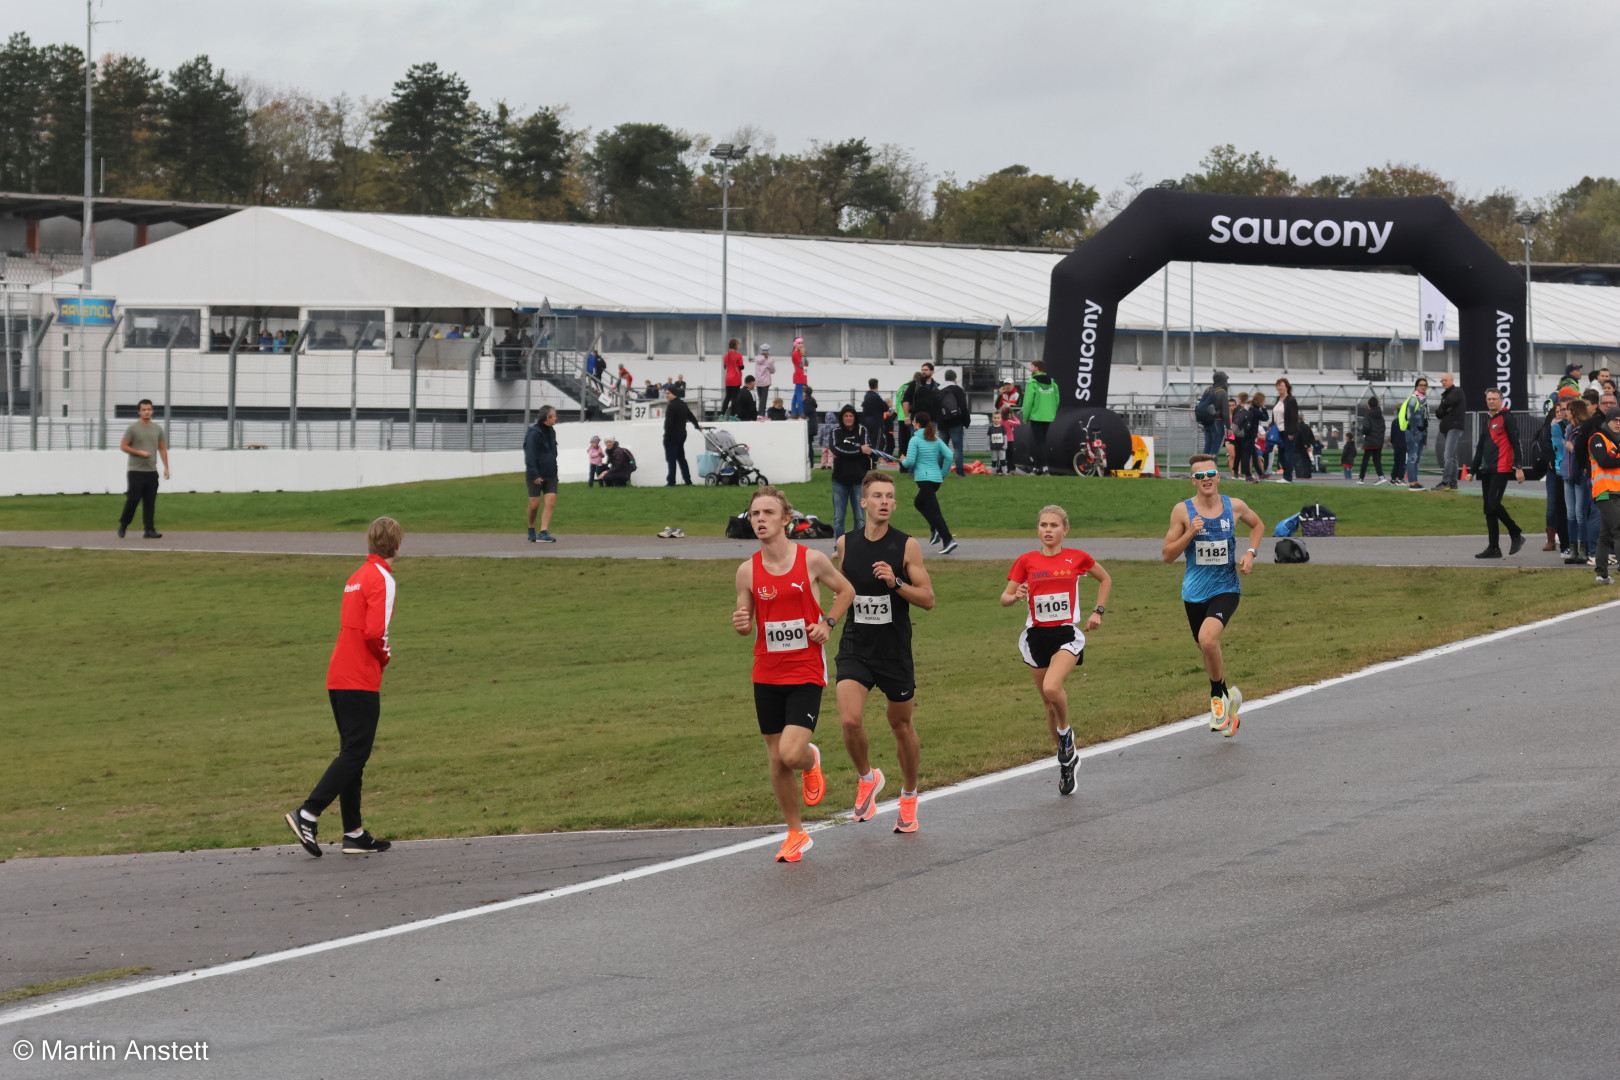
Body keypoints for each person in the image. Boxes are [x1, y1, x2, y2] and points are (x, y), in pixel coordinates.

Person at [732, 486, 855, 863]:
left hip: (805, 669)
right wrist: (742, 623)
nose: (760, 520)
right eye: (755, 514)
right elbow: (746, 622)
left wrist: (827, 623)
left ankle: (810, 761)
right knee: (775, 757)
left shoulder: (812, 560)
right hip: (766, 672)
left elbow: (846, 590)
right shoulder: (747, 571)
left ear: (786, 519)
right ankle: (795, 832)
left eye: (768, 513)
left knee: (790, 752)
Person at [285, 516, 403, 858]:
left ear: (370, 542)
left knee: (352, 753)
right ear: (397, 546)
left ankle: (354, 833)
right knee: (355, 753)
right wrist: (385, 657)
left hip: (338, 674)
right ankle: (308, 813)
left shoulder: (355, 577)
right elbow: (375, 633)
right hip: (359, 677)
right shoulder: (382, 578)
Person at [836, 471, 936, 833]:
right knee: (850, 721)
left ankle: (909, 796)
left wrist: (896, 583)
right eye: (877, 495)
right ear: (863, 502)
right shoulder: (845, 544)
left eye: (889, 496)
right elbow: (841, 588)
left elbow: (928, 599)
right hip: (855, 646)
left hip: (893, 651)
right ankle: (868, 778)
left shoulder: (906, 546)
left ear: (894, 504)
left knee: (901, 725)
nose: (884, 501)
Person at [1000, 505, 1112, 796]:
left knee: (1052, 687)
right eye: (1043, 525)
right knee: (1048, 705)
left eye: (1054, 525)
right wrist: (1015, 596)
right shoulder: (1026, 561)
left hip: (1065, 634)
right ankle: (1067, 762)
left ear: (1065, 530)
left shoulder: (1077, 558)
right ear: (1038, 529)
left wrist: (1098, 611)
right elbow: (1004, 598)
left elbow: (1105, 579)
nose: (1048, 530)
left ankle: (1065, 734)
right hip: (1036, 637)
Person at [1161, 454, 1264, 737]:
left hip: (1226, 587)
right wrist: (1190, 533)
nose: (1206, 479)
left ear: (1218, 477)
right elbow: (1167, 555)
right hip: (1194, 593)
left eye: (1210, 474)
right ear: (1192, 481)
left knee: (1208, 639)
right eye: (1200, 475)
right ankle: (1230, 697)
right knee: (1206, 649)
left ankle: (1217, 697)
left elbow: (1258, 525)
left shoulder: (1235, 506)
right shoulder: (1182, 511)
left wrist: (1251, 553)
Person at [1470, 389, 1526, 558]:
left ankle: (1515, 532)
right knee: (1488, 509)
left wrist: (1519, 467)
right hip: (1487, 469)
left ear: (1501, 400)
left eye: (1494, 398)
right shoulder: (1488, 420)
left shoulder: (1507, 418)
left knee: (1493, 504)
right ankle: (1493, 548)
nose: (1491, 401)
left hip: (1501, 468)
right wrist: (1472, 470)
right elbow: (1480, 447)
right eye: (1489, 399)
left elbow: (1516, 443)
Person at [902, 411, 957, 554]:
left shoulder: (915, 440)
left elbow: (910, 462)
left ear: (918, 424)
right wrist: (943, 474)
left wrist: (903, 461)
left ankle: (948, 539)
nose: (913, 424)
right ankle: (935, 529)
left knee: (935, 512)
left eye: (914, 421)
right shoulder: (935, 439)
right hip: (935, 480)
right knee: (919, 503)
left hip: (924, 480)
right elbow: (949, 455)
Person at [117, 399, 170, 539]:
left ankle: (149, 530)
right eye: (144, 409)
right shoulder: (133, 428)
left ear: (152, 411)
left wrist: (166, 467)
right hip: (135, 471)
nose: (147, 412)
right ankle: (124, 524)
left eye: (149, 409)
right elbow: (123, 446)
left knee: (150, 502)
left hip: (151, 471)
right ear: (139, 412)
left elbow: (162, 448)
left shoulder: (157, 429)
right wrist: (139, 452)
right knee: (133, 499)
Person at [829, 406, 871, 540]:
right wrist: (858, 450)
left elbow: (866, 449)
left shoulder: (862, 430)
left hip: (859, 480)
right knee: (838, 517)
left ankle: (857, 545)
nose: (848, 418)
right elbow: (836, 449)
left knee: (860, 517)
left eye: (851, 416)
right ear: (842, 418)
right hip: (839, 480)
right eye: (846, 416)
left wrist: (847, 450)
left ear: (855, 417)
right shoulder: (835, 432)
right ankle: (839, 546)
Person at [1588, 408, 1620, 584]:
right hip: (1605, 491)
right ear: (1607, 420)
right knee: (1618, 530)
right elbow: (1604, 461)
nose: (1618, 424)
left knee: (1605, 535)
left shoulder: (1616, 440)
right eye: (1615, 420)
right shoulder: (1597, 438)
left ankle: (1602, 575)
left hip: (1616, 491)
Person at [1562, 398, 1593, 564]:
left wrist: (1573, 449)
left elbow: (1585, 453)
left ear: (1574, 412)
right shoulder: (1568, 429)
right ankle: (1572, 547)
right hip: (1568, 474)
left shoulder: (1584, 430)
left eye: (1568, 409)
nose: (1565, 413)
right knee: (1571, 514)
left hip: (1580, 474)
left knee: (1580, 513)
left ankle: (1584, 548)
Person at [523, 405, 559, 543]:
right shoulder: (533, 433)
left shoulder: (552, 431)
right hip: (536, 474)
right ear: (548, 417)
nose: (556, 418)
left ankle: (543, 532)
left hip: (551, 473)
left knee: (551, 501)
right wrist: (535, 474)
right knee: (534, 505)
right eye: (554, 416)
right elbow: (530, 456)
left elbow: (553, 450)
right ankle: (531, 527)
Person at [1021, 360, 1059, 475]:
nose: (1031, 369)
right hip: (1048, 416)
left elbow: (1028, 402)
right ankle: (1037, 468)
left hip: (1036, 416)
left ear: (1037, 368)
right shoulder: (1052, 382)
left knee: (1039, 442)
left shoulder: (1032, 382)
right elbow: (1057, 400)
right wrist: (1051, 412)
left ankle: (1045, 468)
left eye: (1032, 367)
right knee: (1040, 441)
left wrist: (1025, 417)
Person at [663, 387, 703, 486]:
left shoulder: (671, 406)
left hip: (672, 436)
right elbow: (691, 416)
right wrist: (696, 425)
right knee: (681, 459)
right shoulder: (683, 404)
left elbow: (669, 423)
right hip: (682, 435)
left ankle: (671, 482)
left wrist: (666, 435)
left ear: (673, 393)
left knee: (671, 460)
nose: (666, 395)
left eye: (668, 393)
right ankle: (688, 481)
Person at [1433, 373, 1465, 491]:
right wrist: (1445, 407)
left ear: (1452, 380)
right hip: (1447, 428)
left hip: (1454, 427)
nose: (1443, 383)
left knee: (1448, 456)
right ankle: (1453, 484)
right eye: (1442, 381)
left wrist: (1444, 406)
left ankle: (1445, 482)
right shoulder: (1445, 395)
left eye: (1445, 380)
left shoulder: (1457, 391)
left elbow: (1448, 402)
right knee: (1453, 457)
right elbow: (1438, 413)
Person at [1398, 377, 1429, 489]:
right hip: (1413, 432)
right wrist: (1415, 432)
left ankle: (1415, 481)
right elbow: (1410, 417)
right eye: (1421, 385)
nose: (1423, 387)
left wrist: (1424, 435)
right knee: (1412, 457)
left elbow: (1425, 419)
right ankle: (1412, 482)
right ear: (1416, 387)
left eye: (1425, 385)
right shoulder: (1413, 399)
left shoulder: (1423, 400)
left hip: (1421, 431)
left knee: (1417, 458)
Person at [938, 369, 970, 478]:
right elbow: (963, 407)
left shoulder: (938, 390)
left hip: (942, 424)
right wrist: (966, 422)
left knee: (941, 449)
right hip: (956, 423)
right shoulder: (958, 390)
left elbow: (935, 408)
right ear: (955, 378)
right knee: (958, 449)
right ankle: (960, 473)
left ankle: (937, 471)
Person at [1271, 378, 1298, 483]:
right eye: (1278, 386)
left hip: (1287, 431)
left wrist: (1291, 432)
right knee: (1281, 455)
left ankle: (1288, 477)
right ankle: (1284, 475)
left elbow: (1293, 417)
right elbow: (1274, 415)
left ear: (1287, 387)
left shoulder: (1291, 400)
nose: (1279, 388)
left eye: (1282, 385)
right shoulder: (1278, 399)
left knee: (1288, 454)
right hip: (1278, 431)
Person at [1197, 371, 1230, 456]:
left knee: (1207, 447)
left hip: (1207, 422)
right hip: (1217, 423)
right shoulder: (1222, 392)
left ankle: (1203, 463)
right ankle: (1212, 464)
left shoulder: (1208, 390)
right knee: (1214, 449)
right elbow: (1225, 412)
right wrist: (1228, 427)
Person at [1358, 394, 1387, 484]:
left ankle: (1361, 478)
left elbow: (1366, 427)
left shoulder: (1368, 415)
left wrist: (1363, 432)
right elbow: (1383, 428)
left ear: (1369, 405)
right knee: (1377, 460)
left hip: (1370, 441)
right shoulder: (1381, 416)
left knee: (1365, 460)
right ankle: (1381, 476)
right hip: (1379, 442)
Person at [861, 378, 888, 450]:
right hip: (876, 423)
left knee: (869, 441)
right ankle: (874, 455)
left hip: (867, 422)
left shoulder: (867, 396)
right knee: (876, 443)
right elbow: (885, 407)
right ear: (877, 385)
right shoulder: (876, 396)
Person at [722, 338, 745, 417]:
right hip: (735, 379)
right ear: (735, 346)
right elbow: (741, 367)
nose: (739, 346)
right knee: (735, 398)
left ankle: (722, 414)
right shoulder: (738, 355)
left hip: (728, 379)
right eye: (738, 345)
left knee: (727, 397)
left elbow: (725, 366)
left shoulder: (726, 355)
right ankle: (732, 415)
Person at [753, 343, 775, 413]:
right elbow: (773, 371)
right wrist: (773, 363)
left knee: (760, 399)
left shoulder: (757, 359)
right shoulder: (769, 360)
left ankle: (760, 413)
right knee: (764, 399)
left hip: (758, 382)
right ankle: (762, 414)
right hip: (765, 382)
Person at [789, 338, 808, 417]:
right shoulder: (795, 353)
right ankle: (801, 412)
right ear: (795, 344)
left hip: (802, 375)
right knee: (799, 395)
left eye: (802, 343)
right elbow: (801, 365)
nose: (801, 345)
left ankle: (793, 412)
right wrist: (803, 356)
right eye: (799, 343)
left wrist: (803, 355)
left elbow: (806, 364)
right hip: (799, 375)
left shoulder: (799, 353)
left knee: (796, 396)